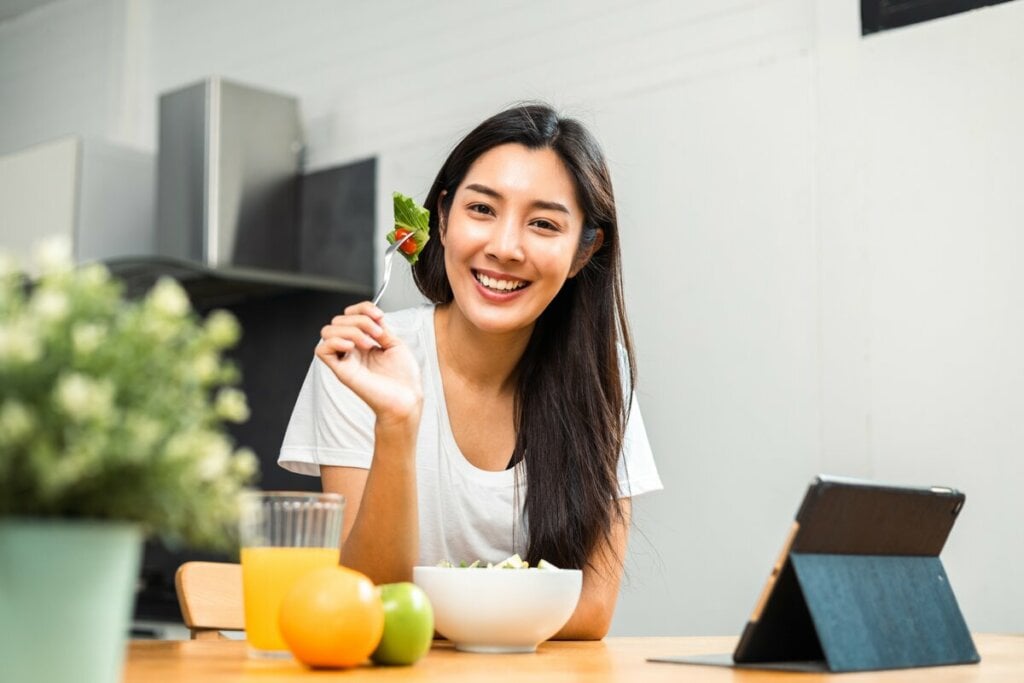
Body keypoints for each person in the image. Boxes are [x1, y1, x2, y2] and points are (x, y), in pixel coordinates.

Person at [279, 103, 662, 639]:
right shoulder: (362, 363)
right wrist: (397, 423)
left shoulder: (601, 377)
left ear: (584, 251)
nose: (504, 248)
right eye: (482, 209)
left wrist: (435, 609)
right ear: (442, 216)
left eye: (544, 223)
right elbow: (366, 602)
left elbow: (592, 611)